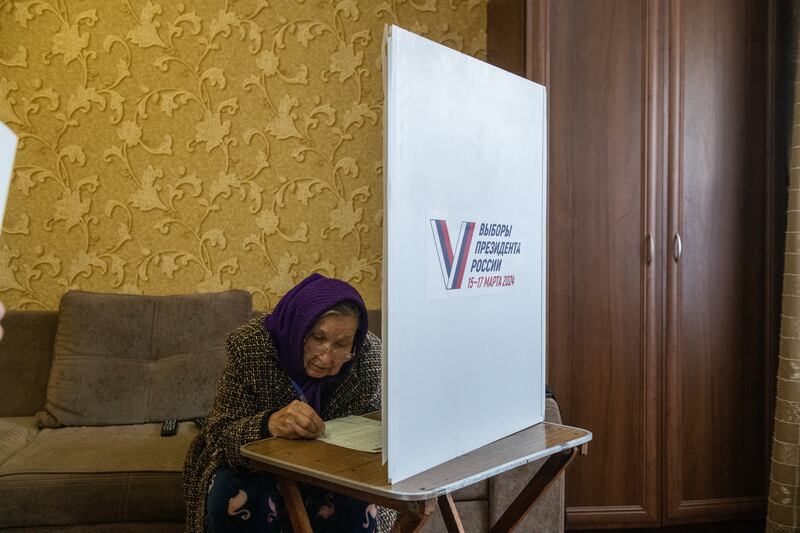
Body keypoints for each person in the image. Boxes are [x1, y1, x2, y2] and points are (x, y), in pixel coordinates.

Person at [183, 274, 389, 532]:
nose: (326, 358)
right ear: (299, 327)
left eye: (341, 345)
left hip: (335, 469)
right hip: (255, 465)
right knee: (238, 500)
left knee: (355, 506)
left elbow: (375, 438)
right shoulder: (251, 346)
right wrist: (268, 423)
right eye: (317, 338)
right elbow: (219, 434)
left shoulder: (367, 359)